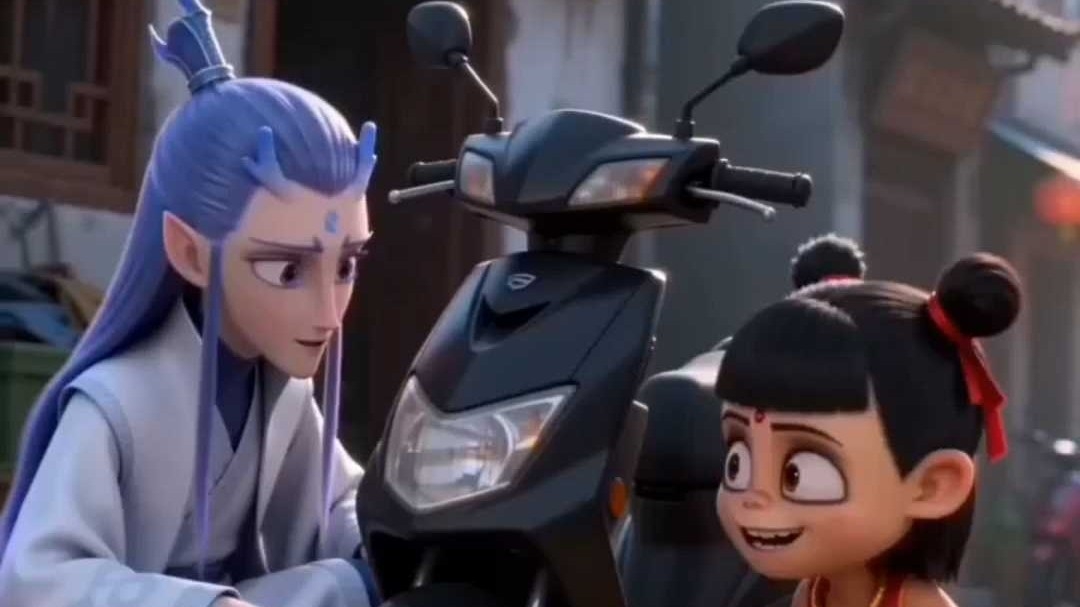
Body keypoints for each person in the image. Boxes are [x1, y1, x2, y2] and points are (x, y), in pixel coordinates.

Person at [0, 3, 380, 606]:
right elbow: (38, 576)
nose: (329, 311)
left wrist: (387, 544)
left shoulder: (282, 388)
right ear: (189, 252)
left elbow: (336, 509)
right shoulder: (117, 399)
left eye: (345, 267)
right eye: (287, 270)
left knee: (354, 580)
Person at [713, 247, 1022, 607]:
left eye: (798, 474)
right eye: (738, 462)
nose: (753, 496)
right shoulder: (814, 592)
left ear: (932, 485)